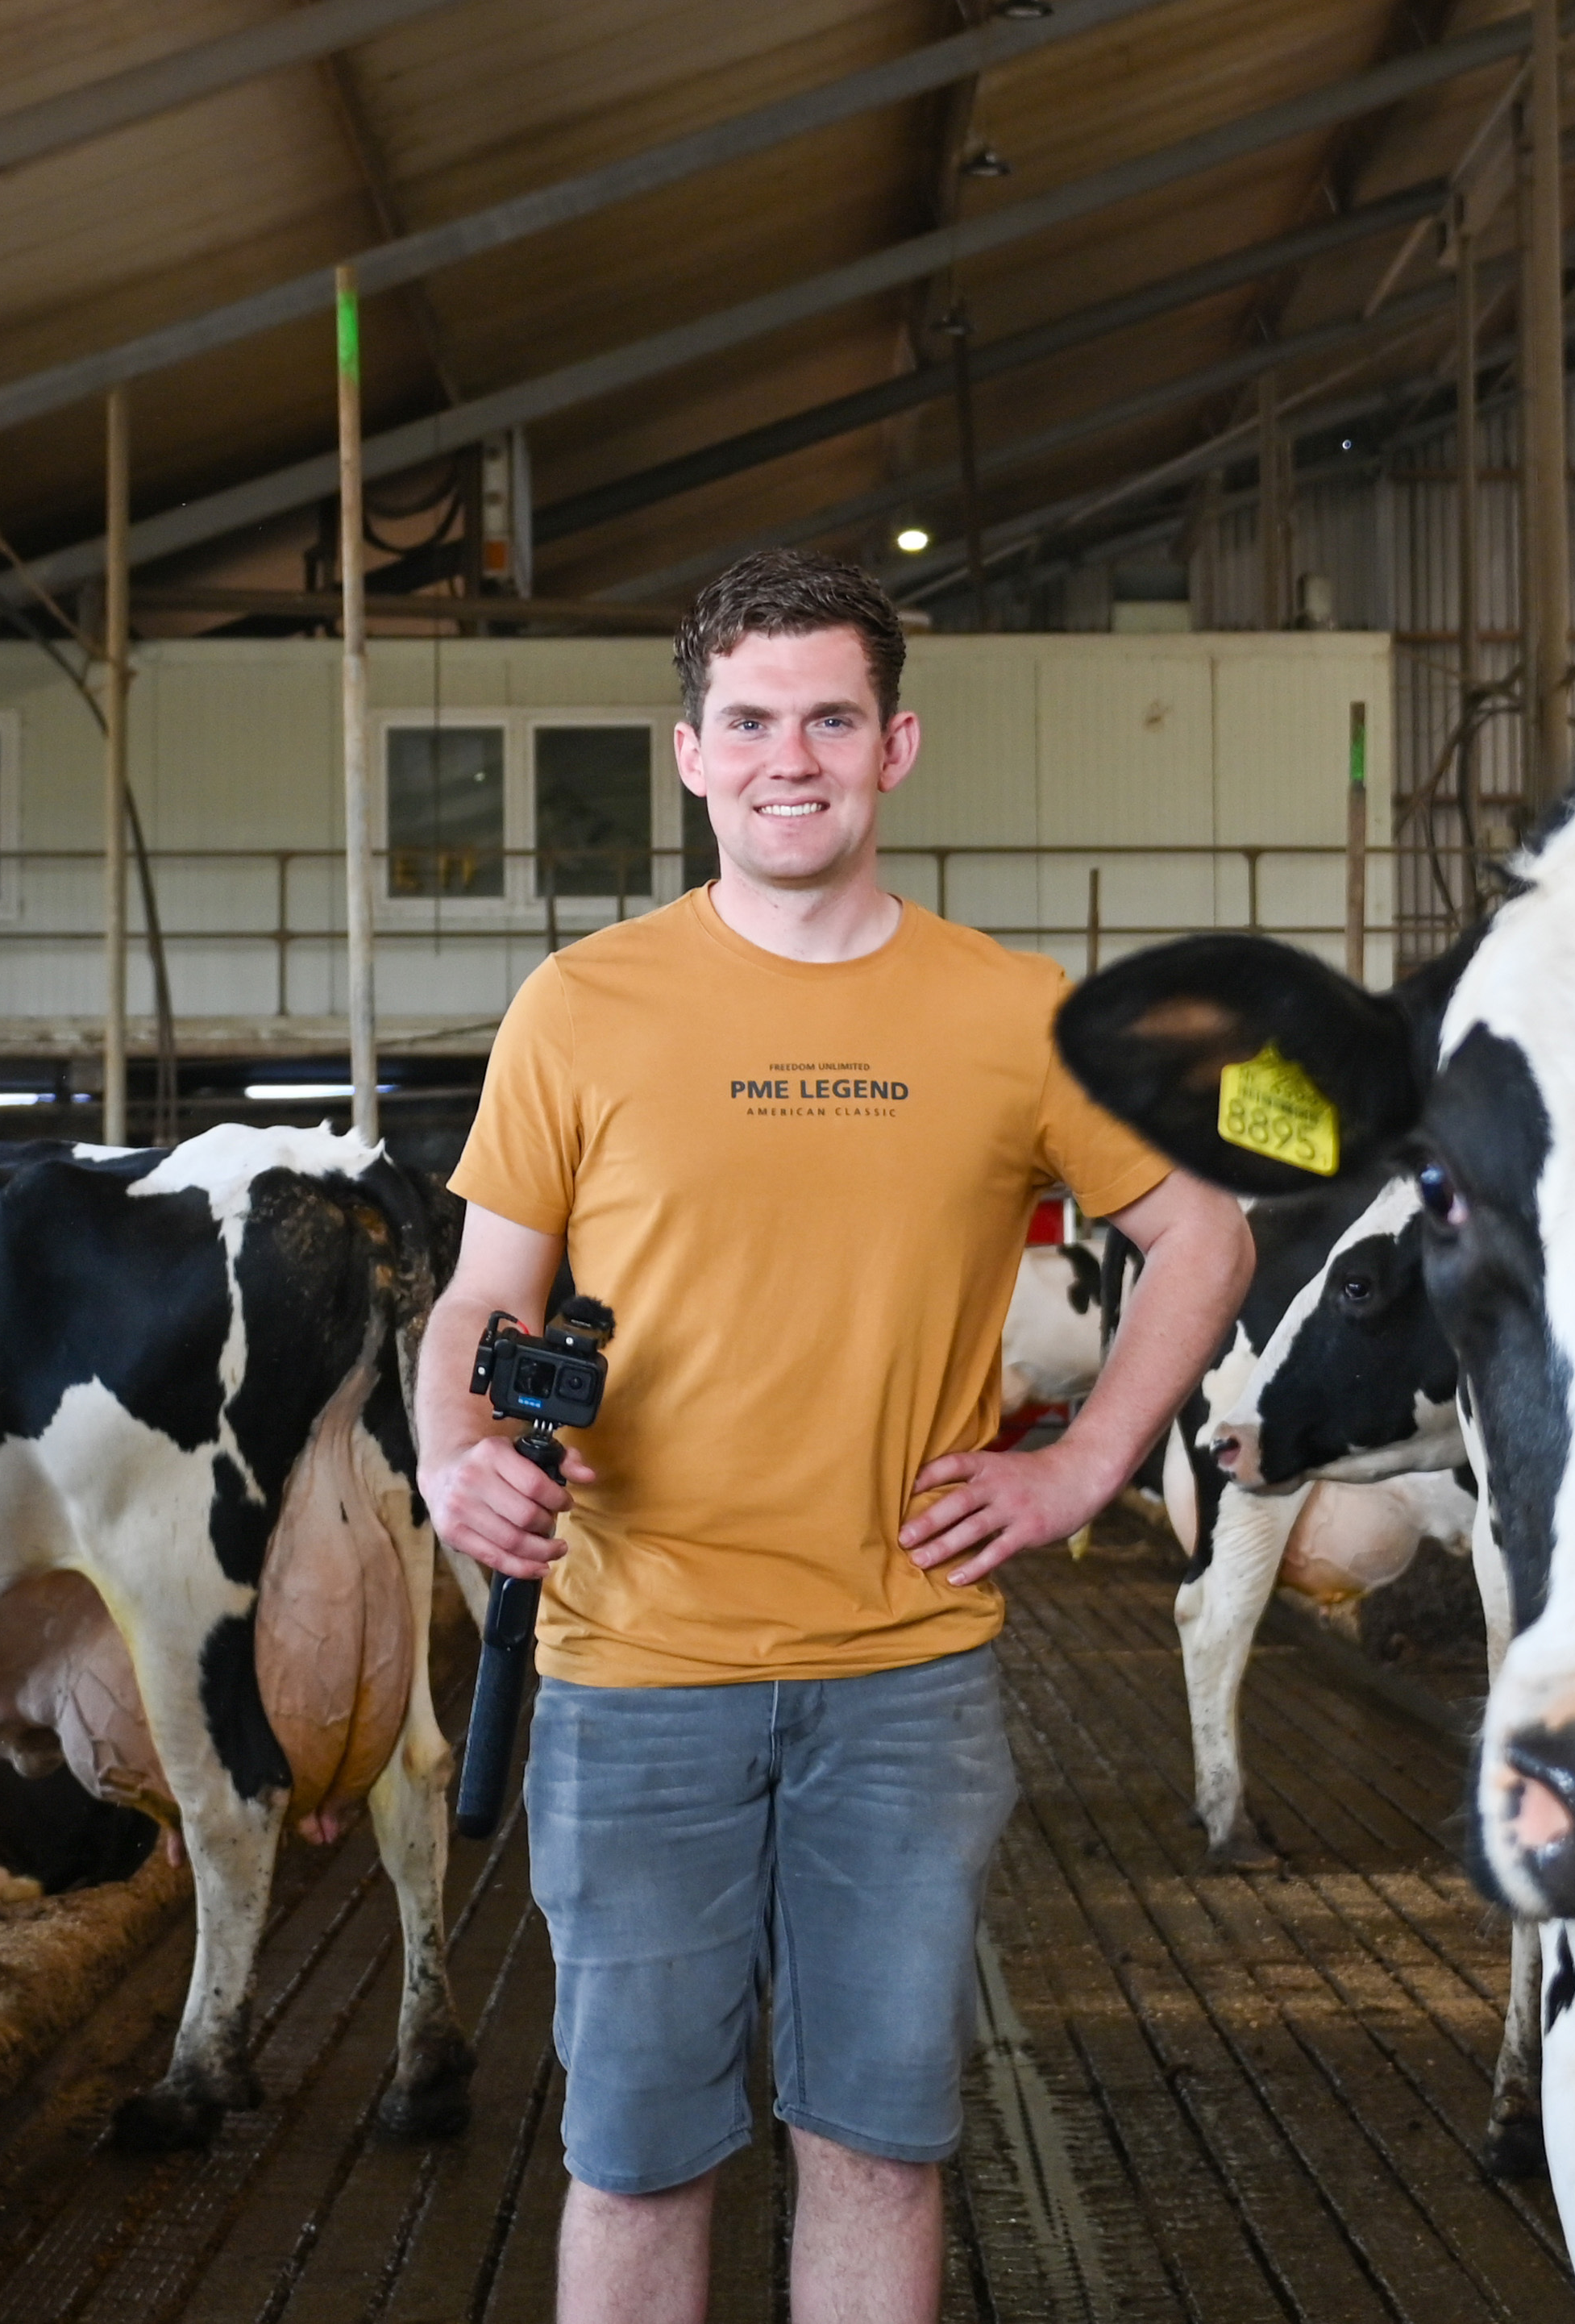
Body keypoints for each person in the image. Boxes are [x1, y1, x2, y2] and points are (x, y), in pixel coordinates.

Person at [419, 550, 1252, 2324]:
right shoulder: (584, 1004)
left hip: (907, 1677)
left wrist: (1083, 1461)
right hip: (633, 1671)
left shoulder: (1016, 1011)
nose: (789, 755)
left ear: (895, 745)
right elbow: (475, 1302)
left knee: (880, 2140)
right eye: (749, 720)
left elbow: (1207, 1230)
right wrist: (448, 1454)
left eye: (828, 716)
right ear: (691, 754)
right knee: (638, 2152)